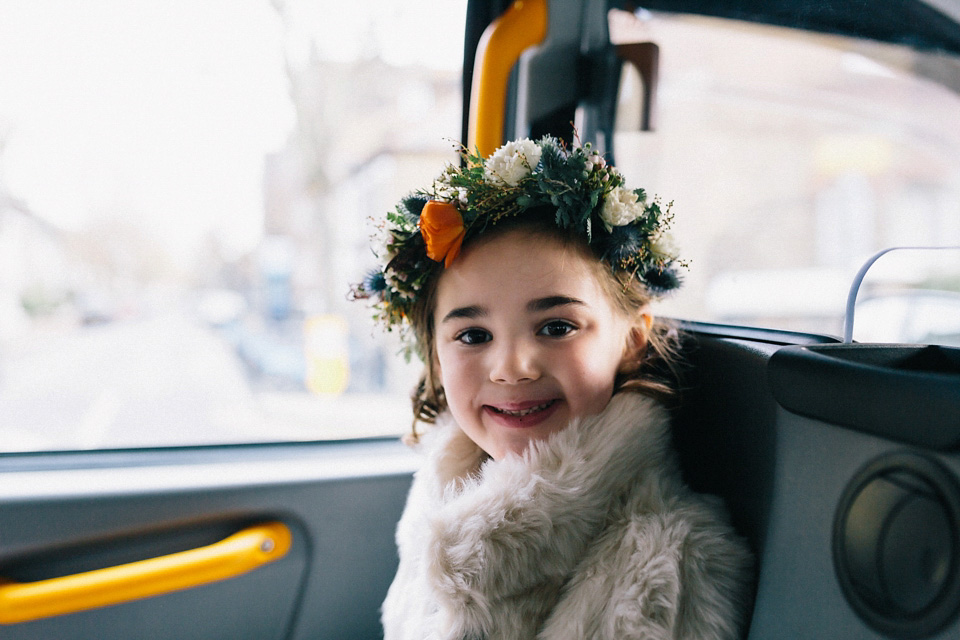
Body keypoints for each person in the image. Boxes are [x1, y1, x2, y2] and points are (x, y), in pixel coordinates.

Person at [353, 136, 752, 639]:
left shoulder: (668, 564)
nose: (512, 368)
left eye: (557, 327)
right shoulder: (436, 496)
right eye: (474, 336)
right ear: (436, 353)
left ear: (631, 339)